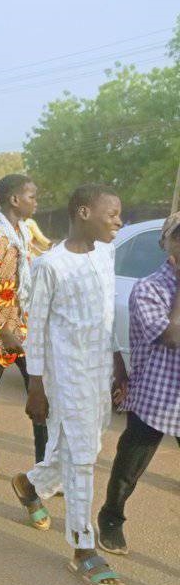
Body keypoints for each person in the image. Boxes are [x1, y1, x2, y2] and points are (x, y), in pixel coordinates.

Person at [11, 184, 126, 585]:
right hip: (67, 374)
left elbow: (106, 316)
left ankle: (30, 484)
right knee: (81, 459)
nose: (119, 221)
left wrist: (118, 364)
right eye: (112, 213)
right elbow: (37, 329)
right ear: (83, 212)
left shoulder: (106, 255)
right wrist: (35, 386)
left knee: (86, 447)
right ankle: (83, 547)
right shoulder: (51, 265)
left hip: (99, 373)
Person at [97, 213, 180, 555]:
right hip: (155, 395)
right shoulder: (148, 289)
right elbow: (172, 337)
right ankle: (111, 517)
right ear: (168, 244)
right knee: (130, 466)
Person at [0, 175, 49, 480]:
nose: (36, 202)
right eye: (32, 196)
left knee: (41, 394)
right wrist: (3, 330)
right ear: (14, 199)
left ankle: (45, 465)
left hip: (26, 326)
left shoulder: (25, 232)